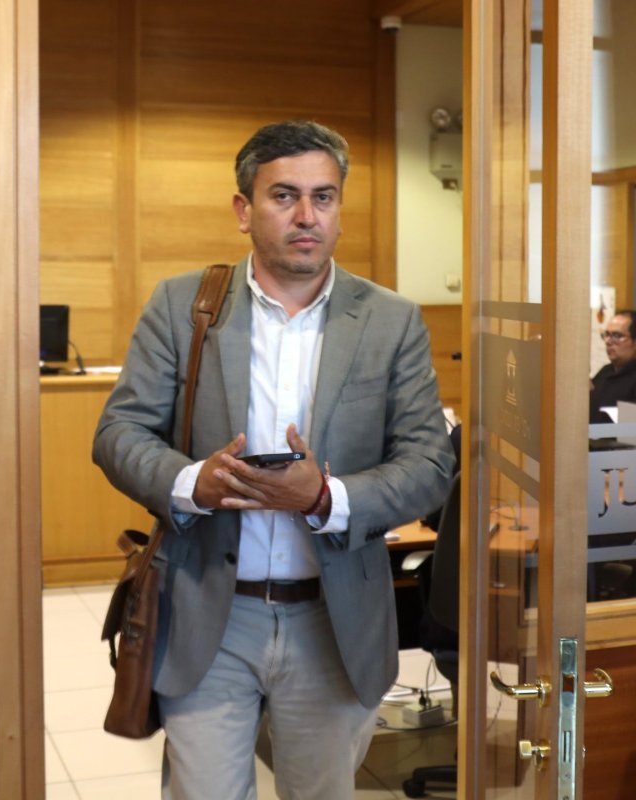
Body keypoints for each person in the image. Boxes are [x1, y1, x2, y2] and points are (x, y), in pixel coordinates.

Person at [93, 120, 454, 800]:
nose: (306, 215)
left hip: (334, 618)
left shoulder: (391, 320)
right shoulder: (184, 306)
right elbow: (118, 432)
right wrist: (191, 482)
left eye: (324, 197)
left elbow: (430, 464)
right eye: (284, 196)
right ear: (244, 209)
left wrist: (324, 498)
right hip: (209, 610)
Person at [590, 310, 636, 423]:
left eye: (616, 336)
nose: (608, 341)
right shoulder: (605, 371)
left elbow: (629, 429)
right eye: (606, 335)